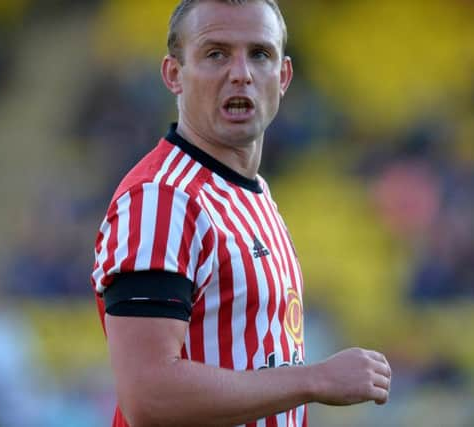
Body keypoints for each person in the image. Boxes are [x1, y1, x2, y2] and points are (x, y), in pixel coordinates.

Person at [90, 1, 391, 426]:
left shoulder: (253, 195)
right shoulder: (162, 198)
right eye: (216, 53)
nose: (241, 73)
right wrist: (314, 379)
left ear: (283, 77)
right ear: (173, 75)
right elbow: (148, 395)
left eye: (259, 54)